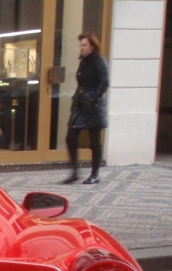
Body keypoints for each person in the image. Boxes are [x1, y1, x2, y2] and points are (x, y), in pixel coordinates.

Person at [63, 33, 109, 185]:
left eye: (84, 45)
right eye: (81, 45)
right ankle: (75, 172)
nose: (81, 48)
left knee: (94, 141)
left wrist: (95, 97)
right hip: (81, 105)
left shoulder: (98, 60)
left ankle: (95, 174)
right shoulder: (83, 61)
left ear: (92, 46)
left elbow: (105, 81)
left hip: (94, 106)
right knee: (70, 137)